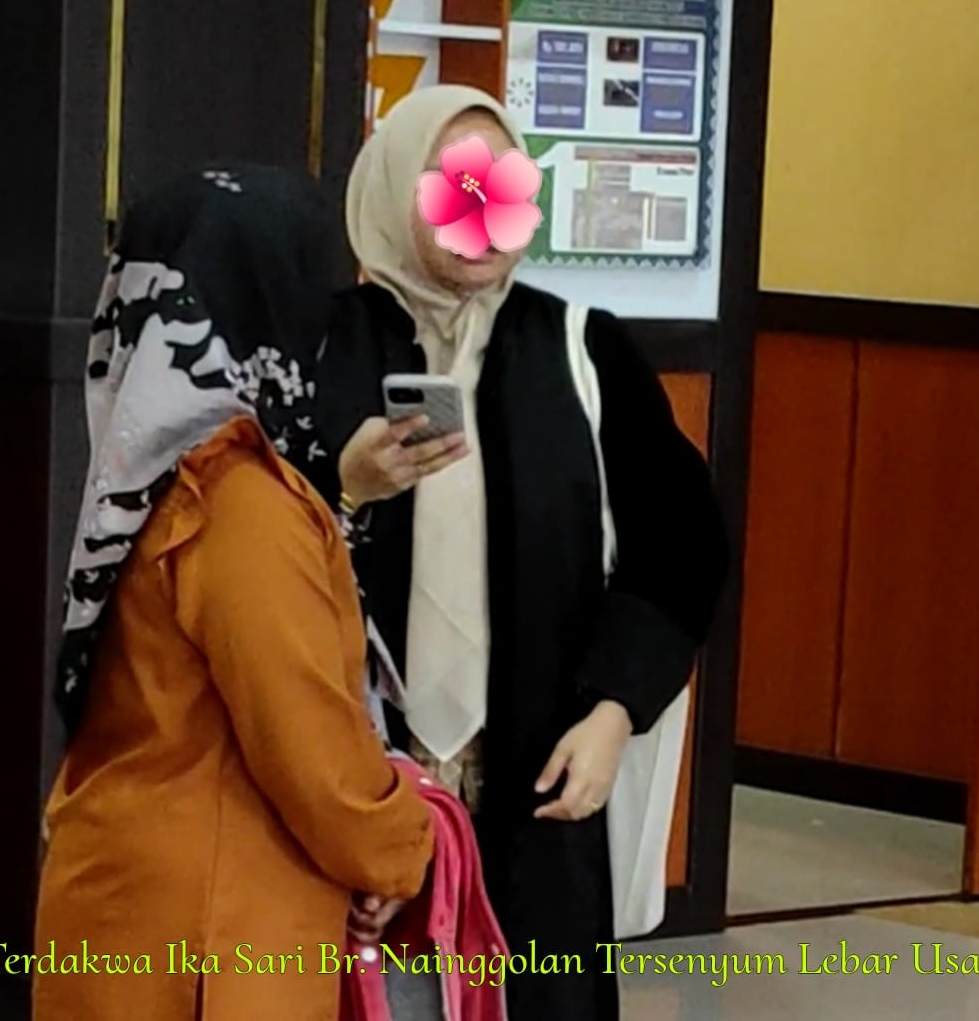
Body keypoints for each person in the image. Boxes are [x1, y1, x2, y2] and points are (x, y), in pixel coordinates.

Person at [308, 84, 727, 1020]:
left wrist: (616, 709)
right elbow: (262, 543)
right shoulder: (320, 345)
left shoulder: (583, 350)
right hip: (360, 779)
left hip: (539, 774)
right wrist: (349, 486)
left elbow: (677, 548)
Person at [35, 166, 433, 1021]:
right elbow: (307, 745)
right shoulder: (240, 499)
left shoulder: (142, 467)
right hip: (216, 936)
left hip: (121, 897)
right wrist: (401, 845)